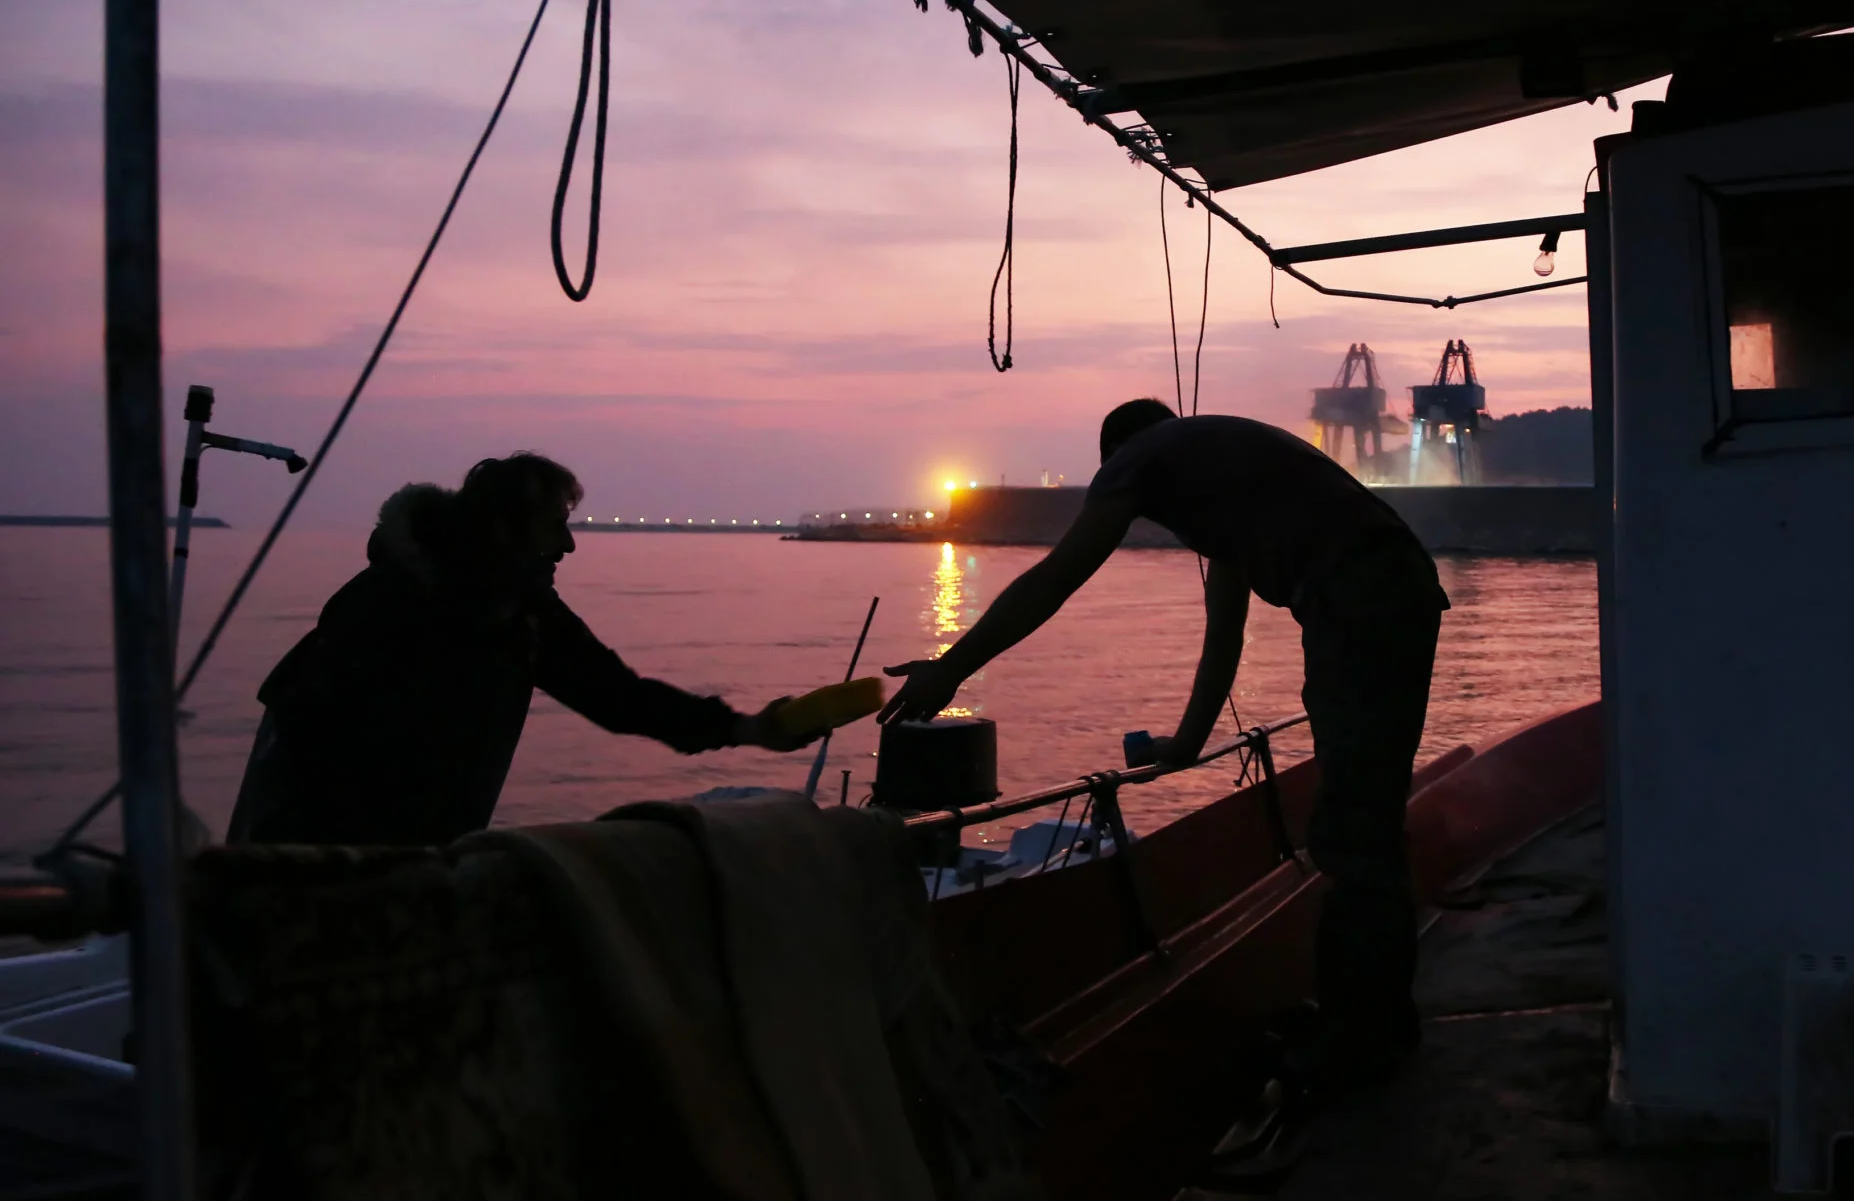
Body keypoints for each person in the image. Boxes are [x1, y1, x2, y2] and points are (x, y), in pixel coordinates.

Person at [881, 400, 1449, 1088]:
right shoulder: (1225, 471)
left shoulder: (1138, 457)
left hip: (1359, 603)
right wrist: (1187, 742)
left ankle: (1358, 1047)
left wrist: (950, 670)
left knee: (1354, 833)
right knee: (1364, 817)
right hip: (1392, 591)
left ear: (1117, 453)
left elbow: (1055, 578)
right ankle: (1371, 1021)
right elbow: (1225, 631)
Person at [228, 452, 814, 847]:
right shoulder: (382, 604)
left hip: (423, 862)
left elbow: (618, 697)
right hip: (314, 861)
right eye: (555, 523)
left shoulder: (523, 613)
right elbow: (304, 753)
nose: (569, 544)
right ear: (502, 528)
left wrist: (748, 730)